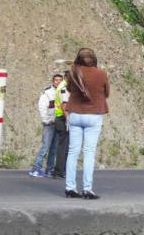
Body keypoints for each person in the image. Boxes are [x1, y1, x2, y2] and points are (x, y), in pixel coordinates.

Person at [64, 48, 109, 199]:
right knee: (89, 153)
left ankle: (70, 188)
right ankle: (87, 189)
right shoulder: (101, 74)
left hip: (75, 114)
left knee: (72, 152)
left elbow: (69, 89)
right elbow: (107, 93)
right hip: (93, 115)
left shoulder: (73, 72)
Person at [29, 74, 63, 178]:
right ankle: (36, 169)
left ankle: (49, 169)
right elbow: (42, 107)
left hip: (58, 123)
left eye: (60, 80)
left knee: (54, 149)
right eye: (56, 80)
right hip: (49, 124)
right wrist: (46, 120)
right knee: (45, 147)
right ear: (53, 81)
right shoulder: (47, 93)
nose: (57, 82)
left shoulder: (62, 92)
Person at [53, 71, 70, 179]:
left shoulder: (61, 86)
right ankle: (59, 171)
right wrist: (68, 119)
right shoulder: (64, 87)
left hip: (60, 118)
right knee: (63, 147)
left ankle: (60, 170)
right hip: (63, 119)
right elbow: (64, 105)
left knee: (62, 146)